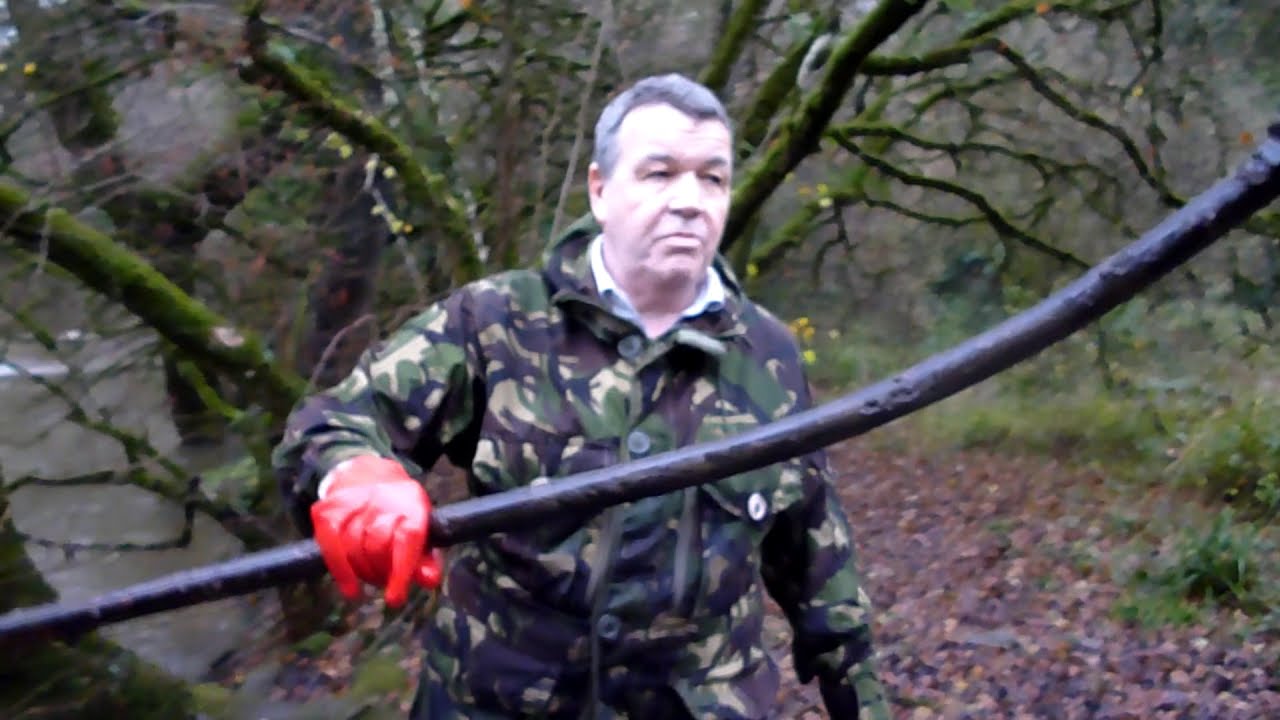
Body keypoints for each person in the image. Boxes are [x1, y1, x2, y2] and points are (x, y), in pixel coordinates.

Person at [272, 72, 890, 719]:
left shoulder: (769, 355)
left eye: (713, 178)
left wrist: (862, 702)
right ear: (600, 189)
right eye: (660, 173)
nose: (691, 200)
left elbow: (817, 561)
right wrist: (358, 473)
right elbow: (332, 422)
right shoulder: (496, 320)